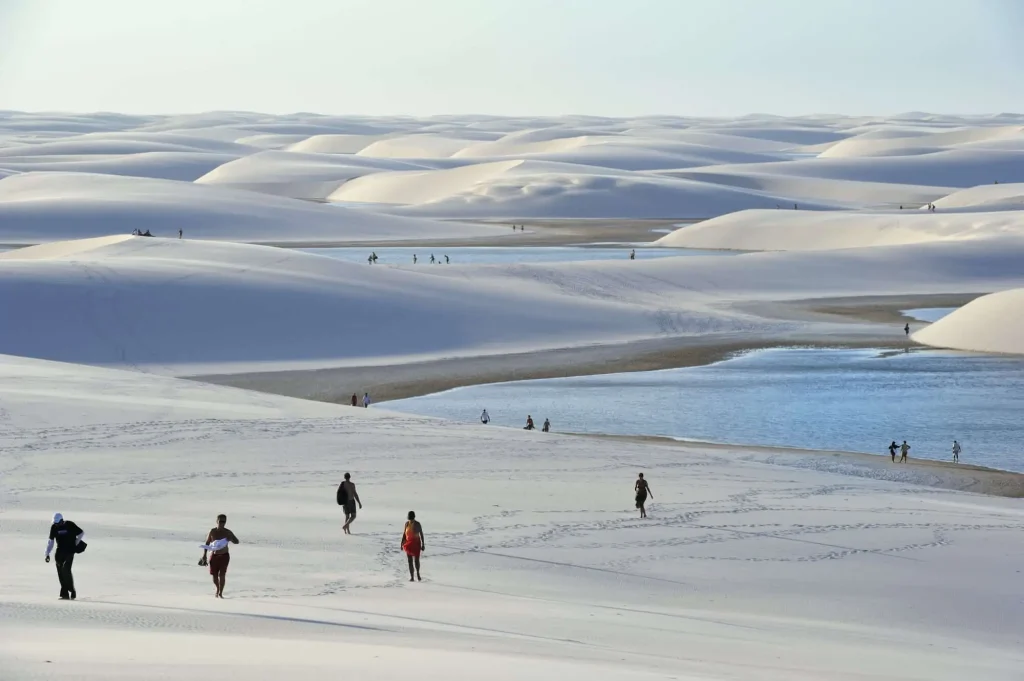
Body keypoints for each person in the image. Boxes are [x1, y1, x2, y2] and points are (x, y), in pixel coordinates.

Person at [199, 514, 239, 598]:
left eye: (223, 521)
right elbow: (207, 543)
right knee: (214, 576)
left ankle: (220, 592)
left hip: (224, 556)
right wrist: (204, 555)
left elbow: (237, 541)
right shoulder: (213, 531)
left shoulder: (227, 532)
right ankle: (217, 588)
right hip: (214, 556)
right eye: (220, 521)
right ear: (217, 521)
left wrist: (231, 538)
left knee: (222, 575)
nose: (222, 523)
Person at [46, 513, 84, 600]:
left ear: (62, 521)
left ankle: (72, 590)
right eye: (55, 523)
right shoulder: (54, 527)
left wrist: (76, 543)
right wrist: (47, 553)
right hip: (59, 552)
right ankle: (64, 594)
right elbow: (51, 541)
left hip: (70, 551)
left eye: (57, 523)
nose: (56, 524)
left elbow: (81, 533)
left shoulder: (70, 524)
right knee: (60, 572)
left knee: (66, 570)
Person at [401, 511, 425, 582]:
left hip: (416, 543)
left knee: (416, 560)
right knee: (409, 561)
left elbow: (421, 534)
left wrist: (423, 544)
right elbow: (404, 534)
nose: (410, 520)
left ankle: (417, 573)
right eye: (409, 519)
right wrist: (402, 542)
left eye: (411, 519)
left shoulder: (417, 524)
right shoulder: (407, 524)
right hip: (408, 544)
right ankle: (412, 576)